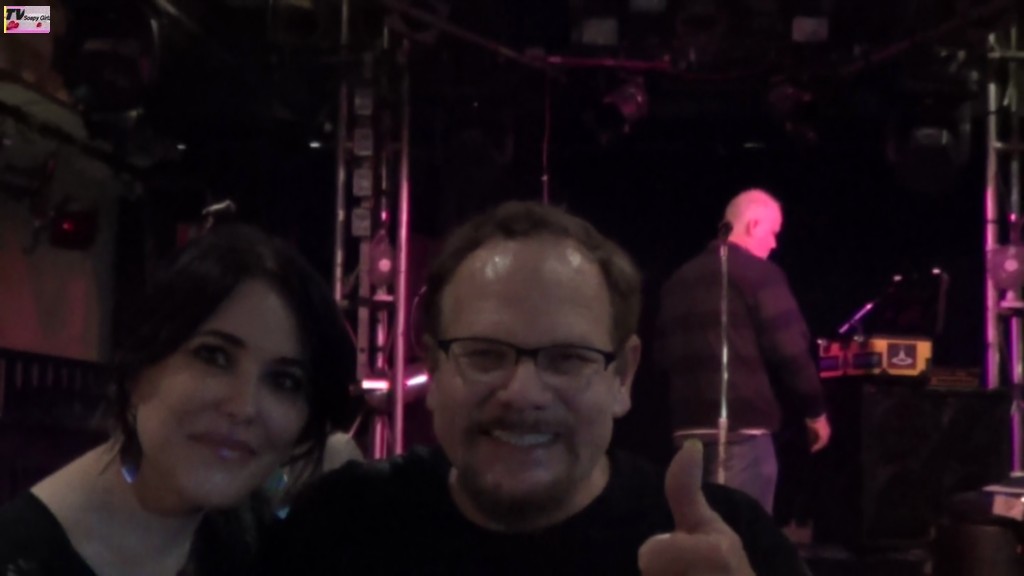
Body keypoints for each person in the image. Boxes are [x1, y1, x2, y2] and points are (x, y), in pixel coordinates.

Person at [263, 200, 809, 575]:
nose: (523, 393)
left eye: (567, 359)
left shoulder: (727, 549)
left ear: (622, 377)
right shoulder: (342, 528)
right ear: (434, 370)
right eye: (484, 353)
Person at [0, 224, 352, 576]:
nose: (244, 407)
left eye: (285, 381)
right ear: (139, 367)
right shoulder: (23, 557)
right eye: (213, 356)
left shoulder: (250, 536)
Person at [655, 189, 830, 513]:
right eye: (773, 232)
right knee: (740, 533)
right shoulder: (760, 275)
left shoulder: (677, 281)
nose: (774, 244)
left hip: (685, 434)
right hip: (740, 433)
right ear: (753, 225)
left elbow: (662, 356)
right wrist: (815, 412)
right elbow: (790, 350)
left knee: (696, 529)